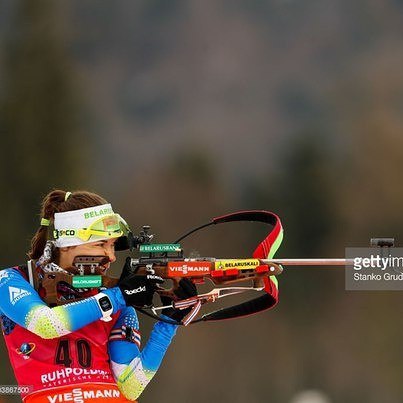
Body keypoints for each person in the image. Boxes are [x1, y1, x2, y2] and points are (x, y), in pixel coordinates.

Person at [0, 189, 196, 402]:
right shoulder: (14, 279)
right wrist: (119, 296)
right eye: (101, 244)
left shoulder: (112, 294)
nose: (111, 256)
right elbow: (46, 324)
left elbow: (131, 385)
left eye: (112, 245)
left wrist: (169, 323)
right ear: (68, 243)